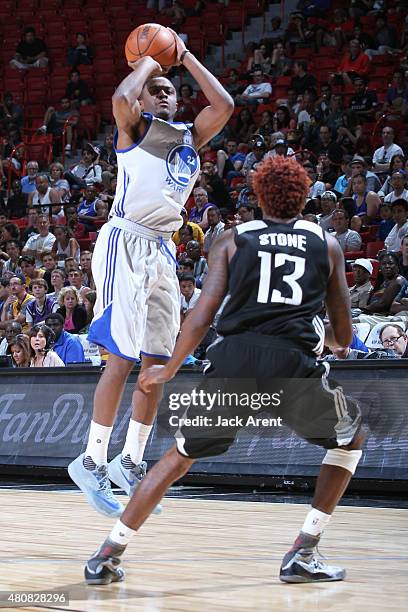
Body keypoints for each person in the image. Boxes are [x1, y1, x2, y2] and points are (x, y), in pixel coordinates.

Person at [84, 155, 364, 586]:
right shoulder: (325, 242)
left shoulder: (232, 239)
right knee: (352, 437)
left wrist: (169, 369)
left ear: (258, 196)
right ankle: (303, 551)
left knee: (179, 457)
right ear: (305, 196)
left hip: (233, 361)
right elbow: (343, 336)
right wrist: (316, 332)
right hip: (291, 365)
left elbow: (200, 316)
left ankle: (108, 552)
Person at [68, 30, 234, 519]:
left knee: (157, 366)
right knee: (119, 359)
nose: (166, 93)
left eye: (171, 89)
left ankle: (130, 461)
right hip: (126, 241)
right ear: (141, 95)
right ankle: (91, 458)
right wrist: (146, 63)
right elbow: (122, 97)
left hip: (162, 250)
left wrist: (184, 57)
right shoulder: (134, 127)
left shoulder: (188, 137)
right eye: (155, 89)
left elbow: (222, 104)